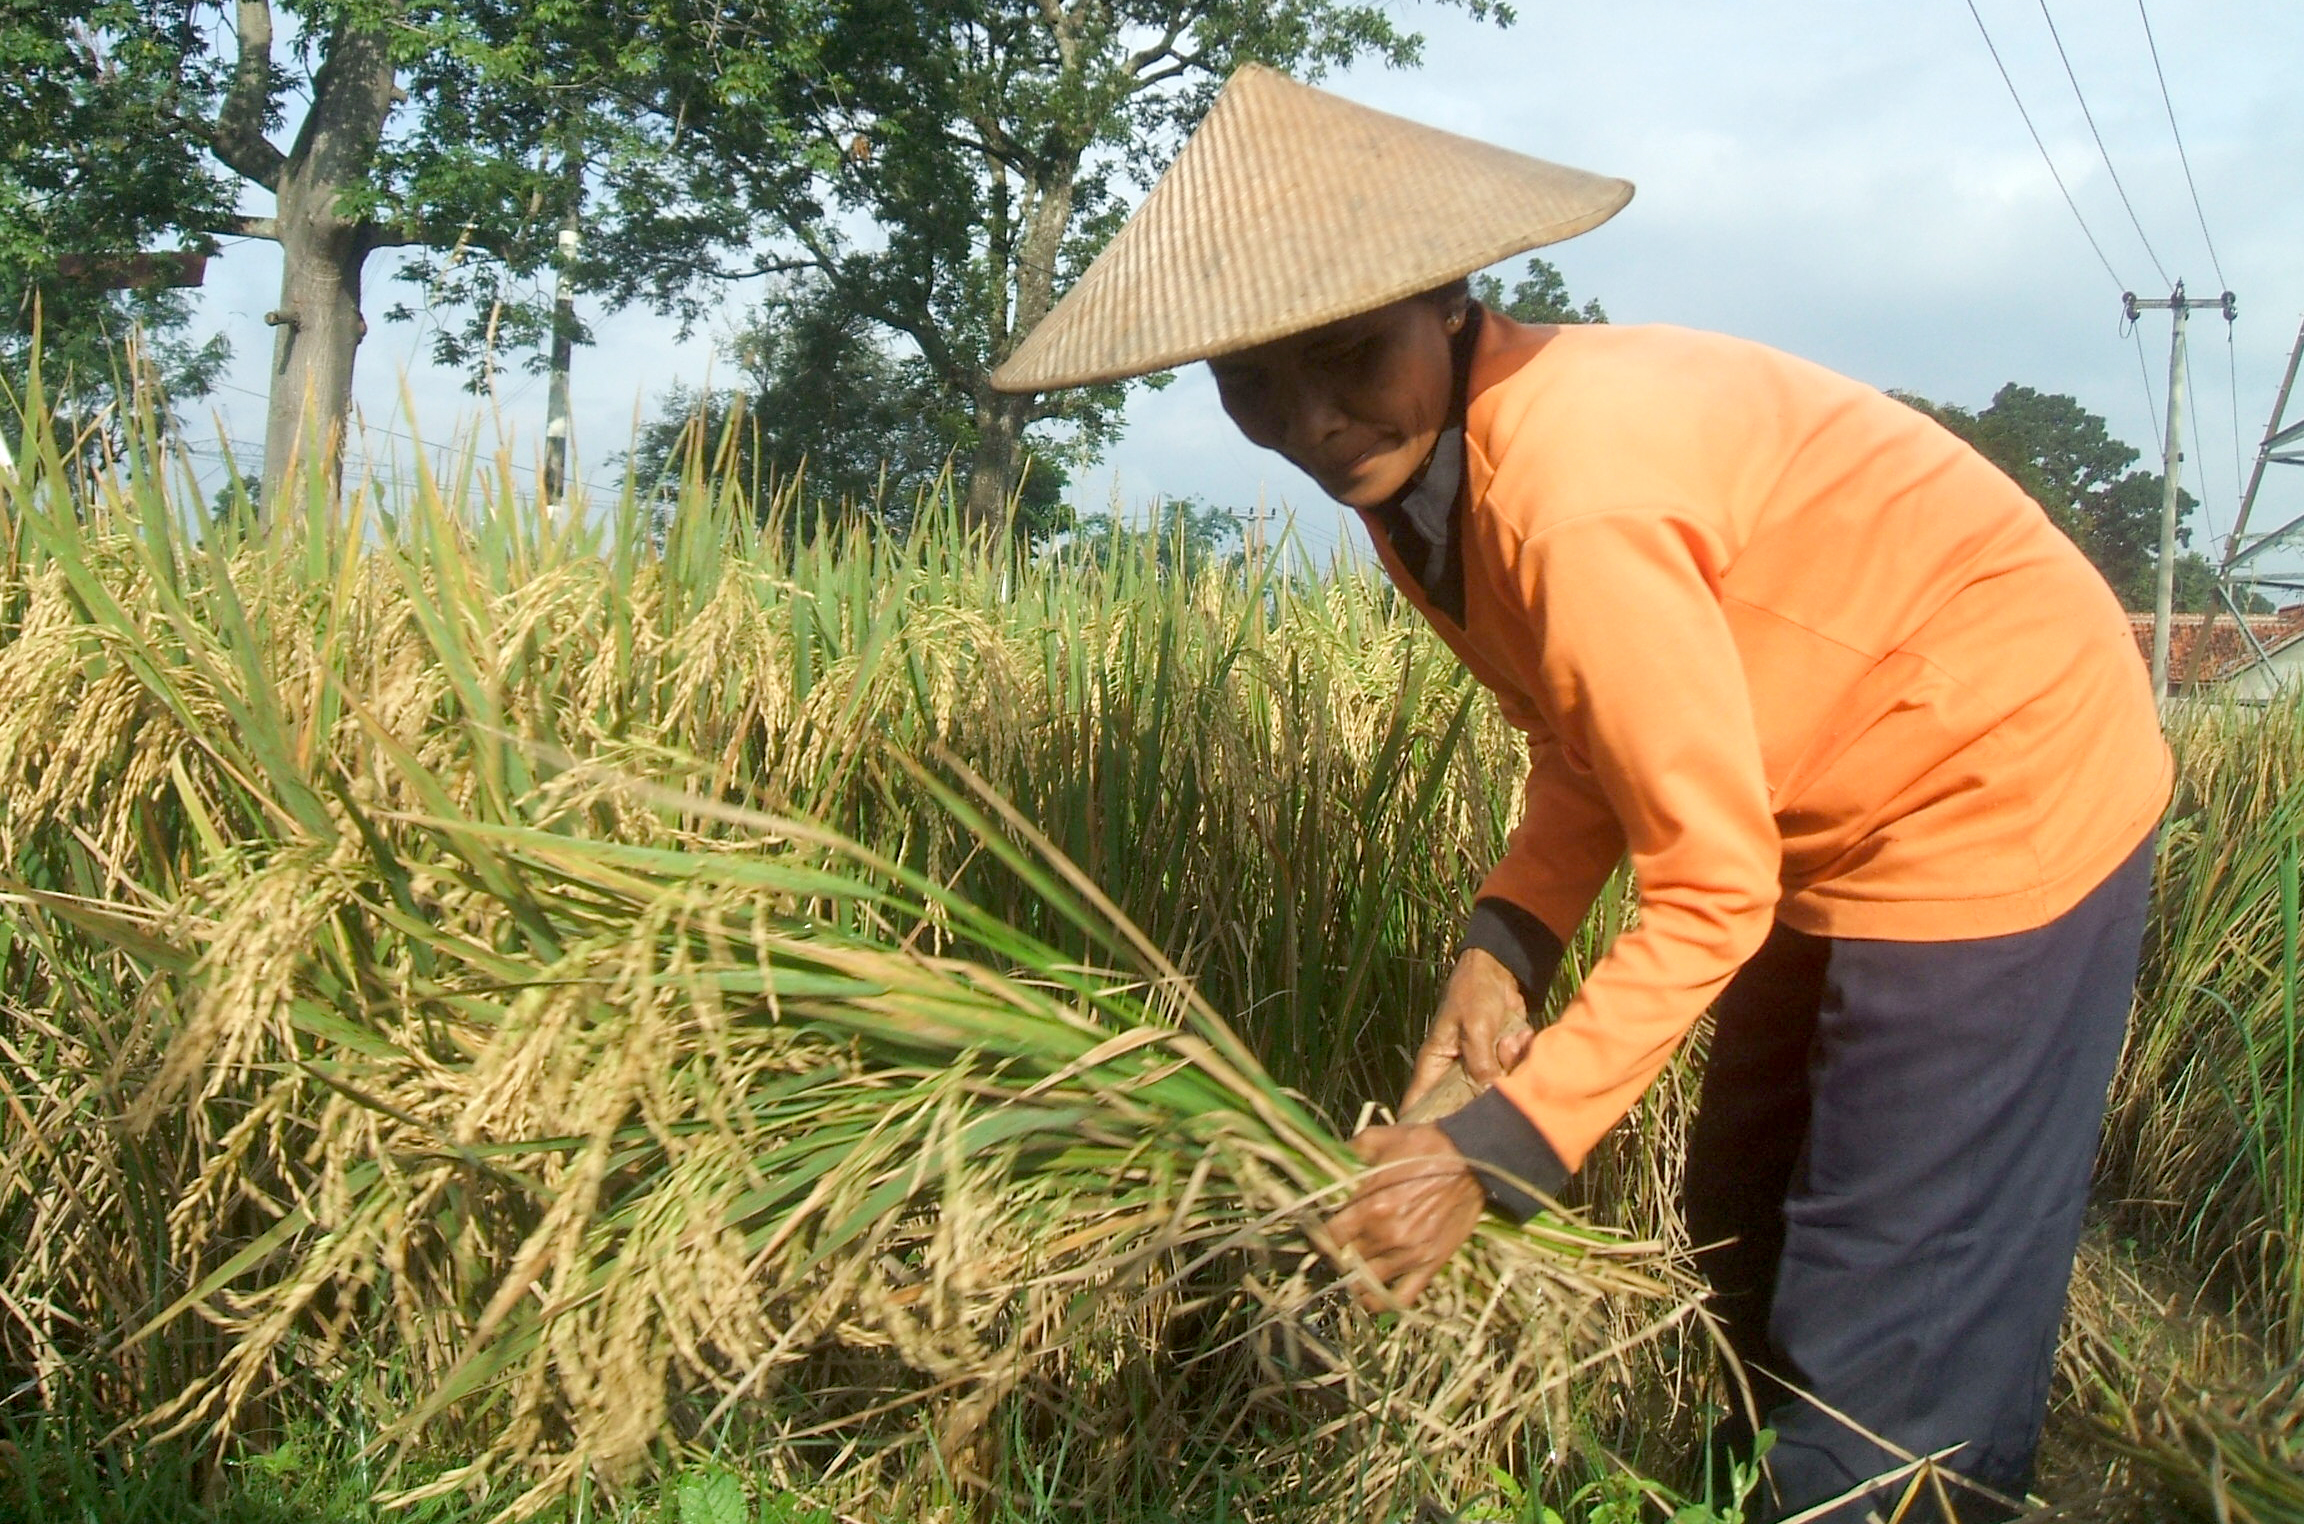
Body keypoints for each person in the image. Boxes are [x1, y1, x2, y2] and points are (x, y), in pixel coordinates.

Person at [990, 64, 2170, 1523]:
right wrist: (1508, 944)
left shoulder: (1572, 483)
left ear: (1448, 297)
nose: (1313, 423)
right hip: (1822, 772)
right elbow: (1585, 729)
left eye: (1348, 353)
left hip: (1996, 776)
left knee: (1895, 1332)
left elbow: (1711, 883)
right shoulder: (1420, 475)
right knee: (1746, 1214)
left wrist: (1485, 1154)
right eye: (1251, 384)